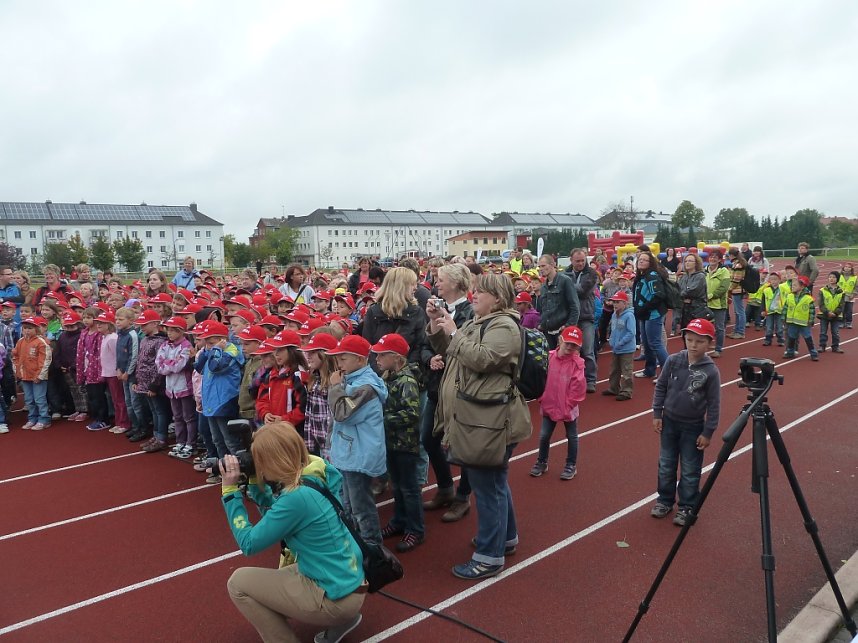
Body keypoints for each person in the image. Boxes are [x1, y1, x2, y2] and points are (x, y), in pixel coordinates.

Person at [221, 422, 366, 643]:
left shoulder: (295, 499)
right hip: (350, 582)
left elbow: (249, 543)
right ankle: (344, 620)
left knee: (238, 583)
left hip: (337, 598)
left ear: (274, 461)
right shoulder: (314, 475)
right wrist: (253, 480)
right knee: (283, 573)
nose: (259, 468)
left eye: (260, 462)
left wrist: (230, 492)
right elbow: (275, 512)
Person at [427, 272, 531, 580]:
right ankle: (506, 539)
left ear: (497, 299)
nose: (474, 296)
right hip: (478, 419)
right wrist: (437, 323)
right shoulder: (478, 322)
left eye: (480, 293)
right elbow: (448, 350)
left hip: (490, 421)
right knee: (494, 483)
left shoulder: (504, 326)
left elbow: (483, 359)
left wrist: (455, 333)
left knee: (488, 488)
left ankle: (489, 556)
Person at [651, 318, 721, 526]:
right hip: (669, 422)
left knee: (690, 469)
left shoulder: (711, 371)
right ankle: (664, 500)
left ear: (709, 343)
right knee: (666, 464)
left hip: (693, 426)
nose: (693, 345)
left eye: (699, 341)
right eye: (689, 339)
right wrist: (657, 413)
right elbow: (661, 387)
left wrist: (708, 431)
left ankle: (687, 506)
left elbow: (714, 404)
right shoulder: (673, 360)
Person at [421, 263, 475, 522]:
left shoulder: (470, 313)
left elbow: (462, 349)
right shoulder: (438, 307)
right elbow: (426, 345)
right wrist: (430, 355)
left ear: (455, 282)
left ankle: (463, 497)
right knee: (428, 438)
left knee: (464, 445)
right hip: (438, 384)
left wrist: (446, 328)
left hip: (459, 385)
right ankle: (445, 488)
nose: (437, 283)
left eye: (440, 279)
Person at [327, 335, 388, 547]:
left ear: (360, 360)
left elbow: (342, 413)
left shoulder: (366, 386)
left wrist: (335, 387)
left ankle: (373, 547)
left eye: (343, 359)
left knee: (361, 506)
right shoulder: (352, 380)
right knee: (348, 503)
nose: (338, 364)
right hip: (349, 452)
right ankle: (356, 543)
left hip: (358, 455)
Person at [372, 333, 425, 552]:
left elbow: (412, 413)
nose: (377, 359)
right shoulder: (387, 377)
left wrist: (382, 420)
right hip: (391, 442)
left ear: (396, 357)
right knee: (397, 486)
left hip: (405, 444)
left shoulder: (406, 381)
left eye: (382, 355)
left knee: (409, 488)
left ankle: (416, 529)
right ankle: (399, 520)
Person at [530, 325, 585, 480]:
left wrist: (568, 405)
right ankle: (542, 461)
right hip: (549, 404)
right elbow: (540, 379)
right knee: (544, 435)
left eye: (574, 345)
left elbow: (578, 388)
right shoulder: (549, 357)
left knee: (572, 436)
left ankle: (571, 465)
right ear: (560, 340)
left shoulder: (577, 363)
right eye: (567, 343)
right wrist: (541, 397)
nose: (570, 347)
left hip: (568, 407)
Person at [361, 267, 428, 373]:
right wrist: (379, 374)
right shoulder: (374, 312)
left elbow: (420, 346)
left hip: (407, 377)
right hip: (378, 376)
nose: (416, 288)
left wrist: (404, 372)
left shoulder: (416, 312)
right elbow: (368, 347)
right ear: (400, 286)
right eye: (412, 284)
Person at [156, 316, 197, 458]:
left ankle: (191, 443)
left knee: (188, 417)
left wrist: (169, 364)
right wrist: (171, 364)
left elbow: (180, 365)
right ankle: (180, 441)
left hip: (184, 387)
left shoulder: (186, 346)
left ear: (181, 331)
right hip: (171, 388)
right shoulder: (164, 345)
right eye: (168, 330)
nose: (169, 333)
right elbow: (159, 365)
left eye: (173, 330)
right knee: (177, 417)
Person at [300, 331, 338, 457]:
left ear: (324, 354)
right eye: (308, 352)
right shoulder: (314, 379)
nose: (308, 356)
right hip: (317, 444)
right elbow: (309, 415)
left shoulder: (336, 381)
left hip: (332, 446)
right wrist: (309, 443)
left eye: (313, 352)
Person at [632, 251, 669, 380]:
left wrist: (644, 308)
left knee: (655, 343)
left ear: (650, 263)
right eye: (639, 259)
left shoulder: (652, 276)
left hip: (653, 315)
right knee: (647, 344)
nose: (641, 261)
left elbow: (658, 295)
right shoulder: (642, 275)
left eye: (644, 260)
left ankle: (667, 373)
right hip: (644, 315)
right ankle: (650, 369)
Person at [566, 248, 598, 393]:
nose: (580, 263)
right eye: (577, 261)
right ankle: (572, 378)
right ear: (571, 260)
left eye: (582, 260)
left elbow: (583, 291)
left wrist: (567, 287)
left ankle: (591, 380)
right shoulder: (565, 273)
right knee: (569, 350)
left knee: (587, 350)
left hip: (586, 317)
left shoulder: (591, 273)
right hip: (571, 317)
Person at [13, 316, 52, 431]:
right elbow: (15, 356)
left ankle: (44, 419)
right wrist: (17, 370)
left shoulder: (41, 342)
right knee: (29, 399)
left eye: (30, 328)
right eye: (25, 328)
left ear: (37, 329)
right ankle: (32, 418)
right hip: (25, 376)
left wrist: (40, 375)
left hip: (38, 377)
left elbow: (45, 360)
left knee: (39, 399)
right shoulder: (20, 341)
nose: (27, 330)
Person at [536, 254, 580, 350]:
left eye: (543, 266)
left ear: (552, 265)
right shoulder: (543, 286)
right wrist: (541, 324)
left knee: (565, 360)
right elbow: (542, 309)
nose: (541, 269)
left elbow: (575, 306)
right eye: (539, 266)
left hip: (562, 331)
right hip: (547, 332)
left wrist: (568, 326)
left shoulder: (565, 281)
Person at [603, 290, 637, 401]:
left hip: (626, 349)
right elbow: (613, 330)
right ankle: (613, 388)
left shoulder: (629, 316)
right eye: (614, 302)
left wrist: (620, 343)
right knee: (614, 370)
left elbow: (631, 332)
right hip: (616, 348)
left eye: (618, 302)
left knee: (626, 370)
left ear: (625, 303)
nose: (615, 304)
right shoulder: (614, 315)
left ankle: (627, 391)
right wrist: (612, 341)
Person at [784, 276, 818, 361]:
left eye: (795, 285)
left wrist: (811, 321)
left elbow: (812, 311)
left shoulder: (808, 298)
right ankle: (790, 352)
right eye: (792, 285)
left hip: (804, 323)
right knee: (791, 338)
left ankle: (813, 353)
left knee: (808, 338)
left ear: (802, 286)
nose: (792, 287)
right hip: (792, 322)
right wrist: (784, 318)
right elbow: (785, 307)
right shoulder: (789, 296)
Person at [704, 250, 731, 358]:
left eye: (715, 257)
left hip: (719, 304)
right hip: (706, 304)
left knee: (719, 327)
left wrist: (711, 295)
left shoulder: (724, 271)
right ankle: (707, 343)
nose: (712, 259)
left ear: (720, 259)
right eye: (711, 257)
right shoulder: (704, 270)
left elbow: (724, 287)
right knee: (706, 325)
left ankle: (718, 349)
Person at [678, 254, 709, 329]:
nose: (687, 263)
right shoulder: (684, 277)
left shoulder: (700, 276)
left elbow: (692, 291)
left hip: (696, 309)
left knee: (695, 331)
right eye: (685, 261)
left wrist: (680, 294)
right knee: (685, 331)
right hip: (685, 309)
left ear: (696, 263)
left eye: (690, 261)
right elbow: (677, 289)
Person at [816, 271, 844, 353]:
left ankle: (835, 346)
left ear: (837, 279)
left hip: (836, 315)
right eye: (830, 277)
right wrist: (827, 312)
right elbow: (821, 304)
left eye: (834, 277)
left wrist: (835, 313)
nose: (831, 279)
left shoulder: (841, 291)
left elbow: (841, 305)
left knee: (835, 332)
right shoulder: (822, 290)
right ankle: (822, 346)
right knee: (823, 332)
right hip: (824, 315)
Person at [760, 272, 788, 347]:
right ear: (769, 280)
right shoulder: (766, 290)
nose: (774, 281)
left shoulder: (782, 289)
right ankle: (768, 339)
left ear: (779, 280)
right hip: (769, 311)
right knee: (769, 326)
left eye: (775, 279)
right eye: (772, 279)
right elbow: (763, 300)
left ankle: (780, 339)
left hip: (779, 311)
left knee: (779, 326)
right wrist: (763, 310)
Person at [727, 250, 748, 339]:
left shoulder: (738, 265)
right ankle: (736, 330)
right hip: (737, 290)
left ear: (732, 255)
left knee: (740, 312)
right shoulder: (737, 263)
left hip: (737, 290)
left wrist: (729, 288)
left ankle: (741, 332)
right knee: (737, 312)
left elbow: (737, 279)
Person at [838, 263, 855, 329]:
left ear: (851, 269)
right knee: (842, 310)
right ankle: (841, 322)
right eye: (846, 266)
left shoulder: (854, 277)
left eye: (849, 267)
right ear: (843, 268)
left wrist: (853, 294)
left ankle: (849, 322)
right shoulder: (839, 276)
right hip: (840, 296)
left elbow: (856, 287)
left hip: (850, 296)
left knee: (849, 310)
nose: (847, 268)